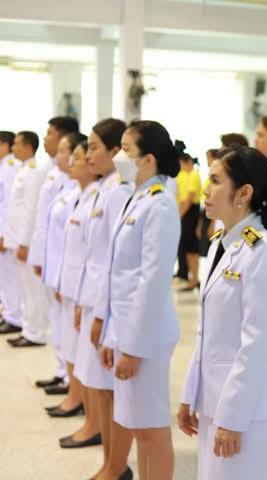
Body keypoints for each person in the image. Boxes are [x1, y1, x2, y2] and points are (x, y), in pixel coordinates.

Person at [178, 146, 267, 479]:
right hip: (214, 398)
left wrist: (233, 417)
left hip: (247, 410)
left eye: (215, 181)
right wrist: (190, 394)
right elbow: (206, 332)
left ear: (244, 193)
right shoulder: (220, 243)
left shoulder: (263, 253)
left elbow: (257, 344)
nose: (205, 189)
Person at [98, 120, 180, 480]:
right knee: (138, 424)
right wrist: (113, 335)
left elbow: (152, 282)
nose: (119, 155)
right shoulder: (137, 198)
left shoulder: (159, 206)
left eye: (126, 149)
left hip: (147, 337)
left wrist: (132, 347)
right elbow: (119, 276)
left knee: (150, 430)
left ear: (148, 159)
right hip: (129, 329)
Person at [76, 118, 134, 480]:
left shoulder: (119, 191)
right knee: (98, 386)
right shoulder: (103, 187)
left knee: (109, 389)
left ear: (115, 152)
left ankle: (116, 465)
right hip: (94, 297)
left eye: (94, 146)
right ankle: (109, 463)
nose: (87, 154)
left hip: (107, 303)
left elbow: (116, 261)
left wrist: (102, 313)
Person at [53, 134, 103, 449]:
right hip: (76, 286)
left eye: (80, 156)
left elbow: (95, 255)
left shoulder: (101, 195)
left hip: (88, 291)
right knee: (76, 355)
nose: (74, 162)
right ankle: (83, 410)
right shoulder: (83, 194)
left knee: (88, 363)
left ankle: (92, 422)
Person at [30, 116, 80, 385]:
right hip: (54, 263)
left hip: (65, 268)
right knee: (58, 323)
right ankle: (63, 372)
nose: (46, 138)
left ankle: (69, 379)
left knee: (67, 326)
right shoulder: (56, 175)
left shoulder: (77, 187)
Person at [41, 132, 84, 417]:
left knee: (71, 337)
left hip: (71, 279)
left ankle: (73, 389)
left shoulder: (81, 192)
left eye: (70, 152)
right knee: (61, 332)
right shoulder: (70, 188)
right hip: (59, 272)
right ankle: (65, 376)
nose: (63, 157)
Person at [5, 131, 48, 347]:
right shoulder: (23, 169)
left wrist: (24, 242)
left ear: (29, 147)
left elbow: (31, 209)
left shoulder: (34, 171)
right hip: (16, 238)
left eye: (17, 144)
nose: (13, 148)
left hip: (25, 241)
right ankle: (27, 328)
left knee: (32, 289)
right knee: (24, 287)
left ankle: (35, 332)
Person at [0, 131, 22, 336]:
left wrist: (4, 234)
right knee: (4, 276)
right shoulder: (4, 167)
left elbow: (8, 205)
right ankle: (7, 312)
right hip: (4, 230)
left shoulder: (11, 167)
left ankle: (14, 317)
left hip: (6, 231)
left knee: (9, 276)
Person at [175, 142, 203, 291]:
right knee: (187, 248)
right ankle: (192, 278)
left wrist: (180, 215)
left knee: (192, 248)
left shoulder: (193, 175)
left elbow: (189, 198)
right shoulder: (186, 175)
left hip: (190, 212)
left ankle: (194, 279)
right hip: (186, 211)